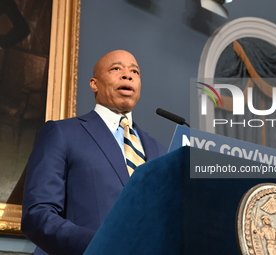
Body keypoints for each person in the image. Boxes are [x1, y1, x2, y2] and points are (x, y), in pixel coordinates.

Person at [21, 50, 167, 255]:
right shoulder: (62, 133)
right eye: (116, 68)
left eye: (135, 71)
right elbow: (37, 214)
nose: (128, 75)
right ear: (94, 84)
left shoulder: (160, 151)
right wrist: (101, 245)